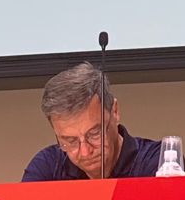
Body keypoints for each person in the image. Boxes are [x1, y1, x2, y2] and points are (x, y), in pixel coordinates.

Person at [21, 62, 163, 181]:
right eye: (70, 141)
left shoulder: (157, 161)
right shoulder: (48, 166)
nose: (85, 152)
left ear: (114, 111)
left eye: (94, 134)